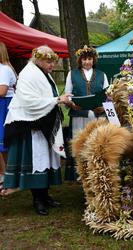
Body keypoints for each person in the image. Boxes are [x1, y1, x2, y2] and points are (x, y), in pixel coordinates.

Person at [2, 45, 74, 216]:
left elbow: (45, 94)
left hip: (43, 122)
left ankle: (45, 196)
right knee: (37, 162)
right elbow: (29, 101)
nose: (52, 65)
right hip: (30, 124)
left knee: (46, 160)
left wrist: (60, 100)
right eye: (49, 62)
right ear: (39, 59)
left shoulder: (42, 72)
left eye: (52, 62)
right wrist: (57, 99)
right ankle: (38, 200)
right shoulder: (29, 73)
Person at [64, 45, 108, 180]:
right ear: (80, 60)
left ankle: (97, 172)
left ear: (93, 60)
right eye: (84, 59)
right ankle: (80, 174)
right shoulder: (72, 74)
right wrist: (72, 103)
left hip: (96, 116)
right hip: (79, 116)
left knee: (96, 144)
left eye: (89, 59)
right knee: (80, 144)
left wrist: (104, 107)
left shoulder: (102, 75)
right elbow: (68, 94)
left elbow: (107, 95)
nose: (87, 62)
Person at [0, 42, 17, 192]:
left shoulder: (4, 69)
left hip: (4, 105)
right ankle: (4, 174)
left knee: (3, 142)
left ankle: (8, 176)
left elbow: (2, 91)